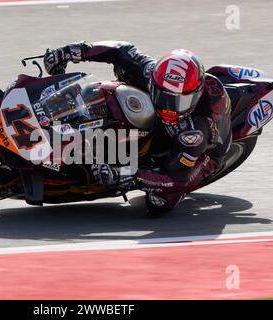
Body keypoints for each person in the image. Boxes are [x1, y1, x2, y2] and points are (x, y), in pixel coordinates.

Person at [43, 41, 232, 214]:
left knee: (160, 201)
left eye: (177, 101)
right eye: (163, 95)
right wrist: (71, 52)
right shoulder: (151, 72)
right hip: (159, 120)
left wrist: (126, 175)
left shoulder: (196, 132)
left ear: (196, 95)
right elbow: (121, 50)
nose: (168, 106)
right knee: (118, 81)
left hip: (205, 153)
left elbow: (175, 179)